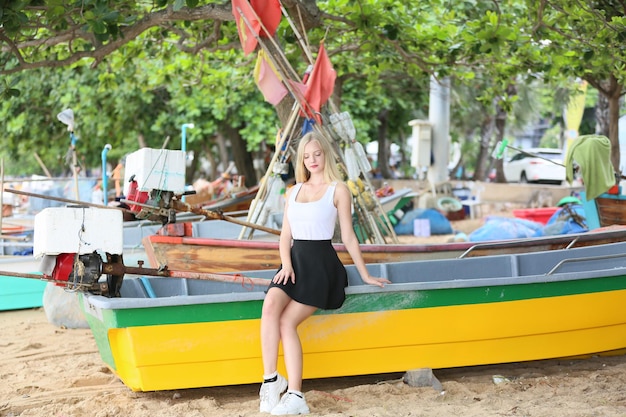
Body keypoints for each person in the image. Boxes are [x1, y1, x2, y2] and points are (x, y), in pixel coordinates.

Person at [259, 132, 391, 415]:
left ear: (326, 154)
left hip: (321, 266)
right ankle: (271, 380)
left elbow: (349, 237)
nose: (312, 160)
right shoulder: (292, 191)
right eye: (307, 156)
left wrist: (365, 274)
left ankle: (295, 395)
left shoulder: (338, 190)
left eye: (317, 154)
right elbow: (285, 236)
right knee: (270, 306)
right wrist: (286, 264)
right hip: (293, 262)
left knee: (287, 323)